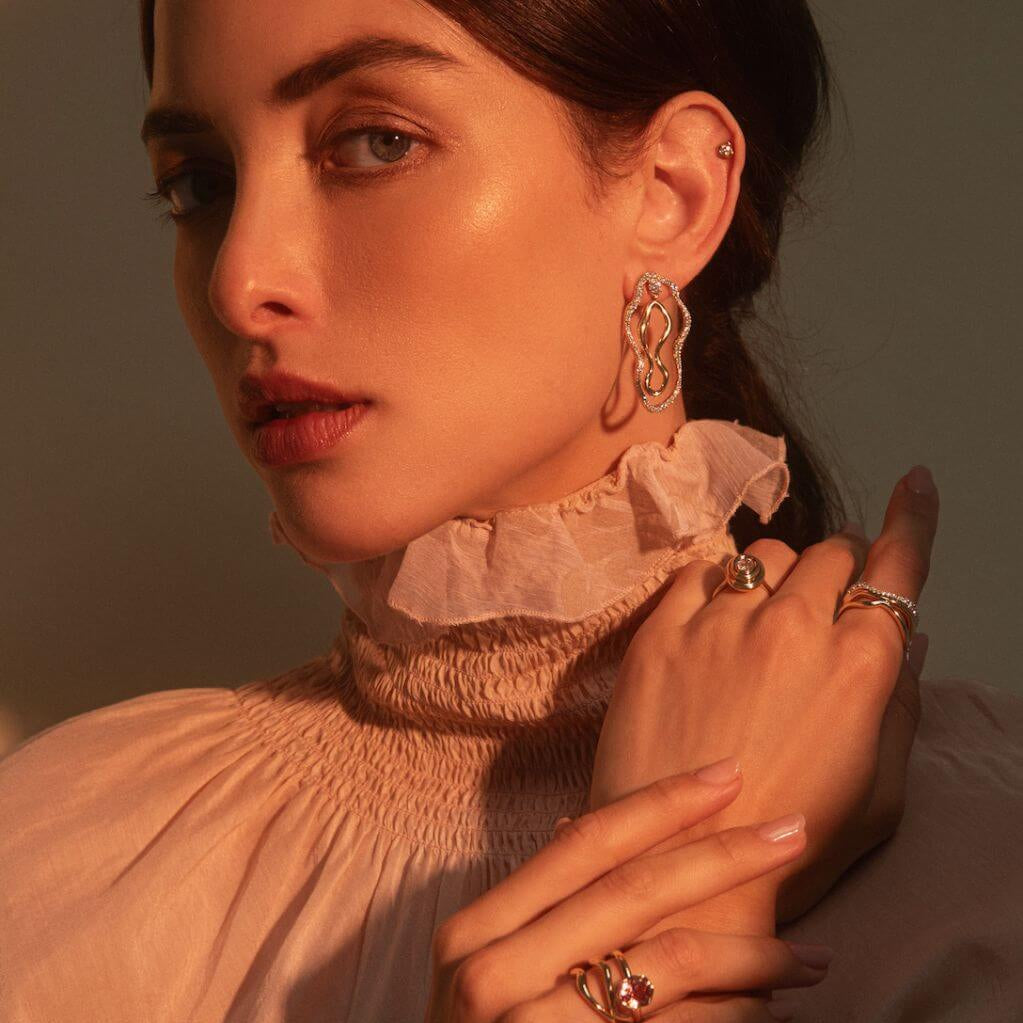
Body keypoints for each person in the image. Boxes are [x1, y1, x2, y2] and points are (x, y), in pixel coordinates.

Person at [2, 0, 1021, 1020]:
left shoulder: (987, 880)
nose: (239, 281)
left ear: (674, 192)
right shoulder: (59, 862)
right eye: (200, 184)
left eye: (375, 143)